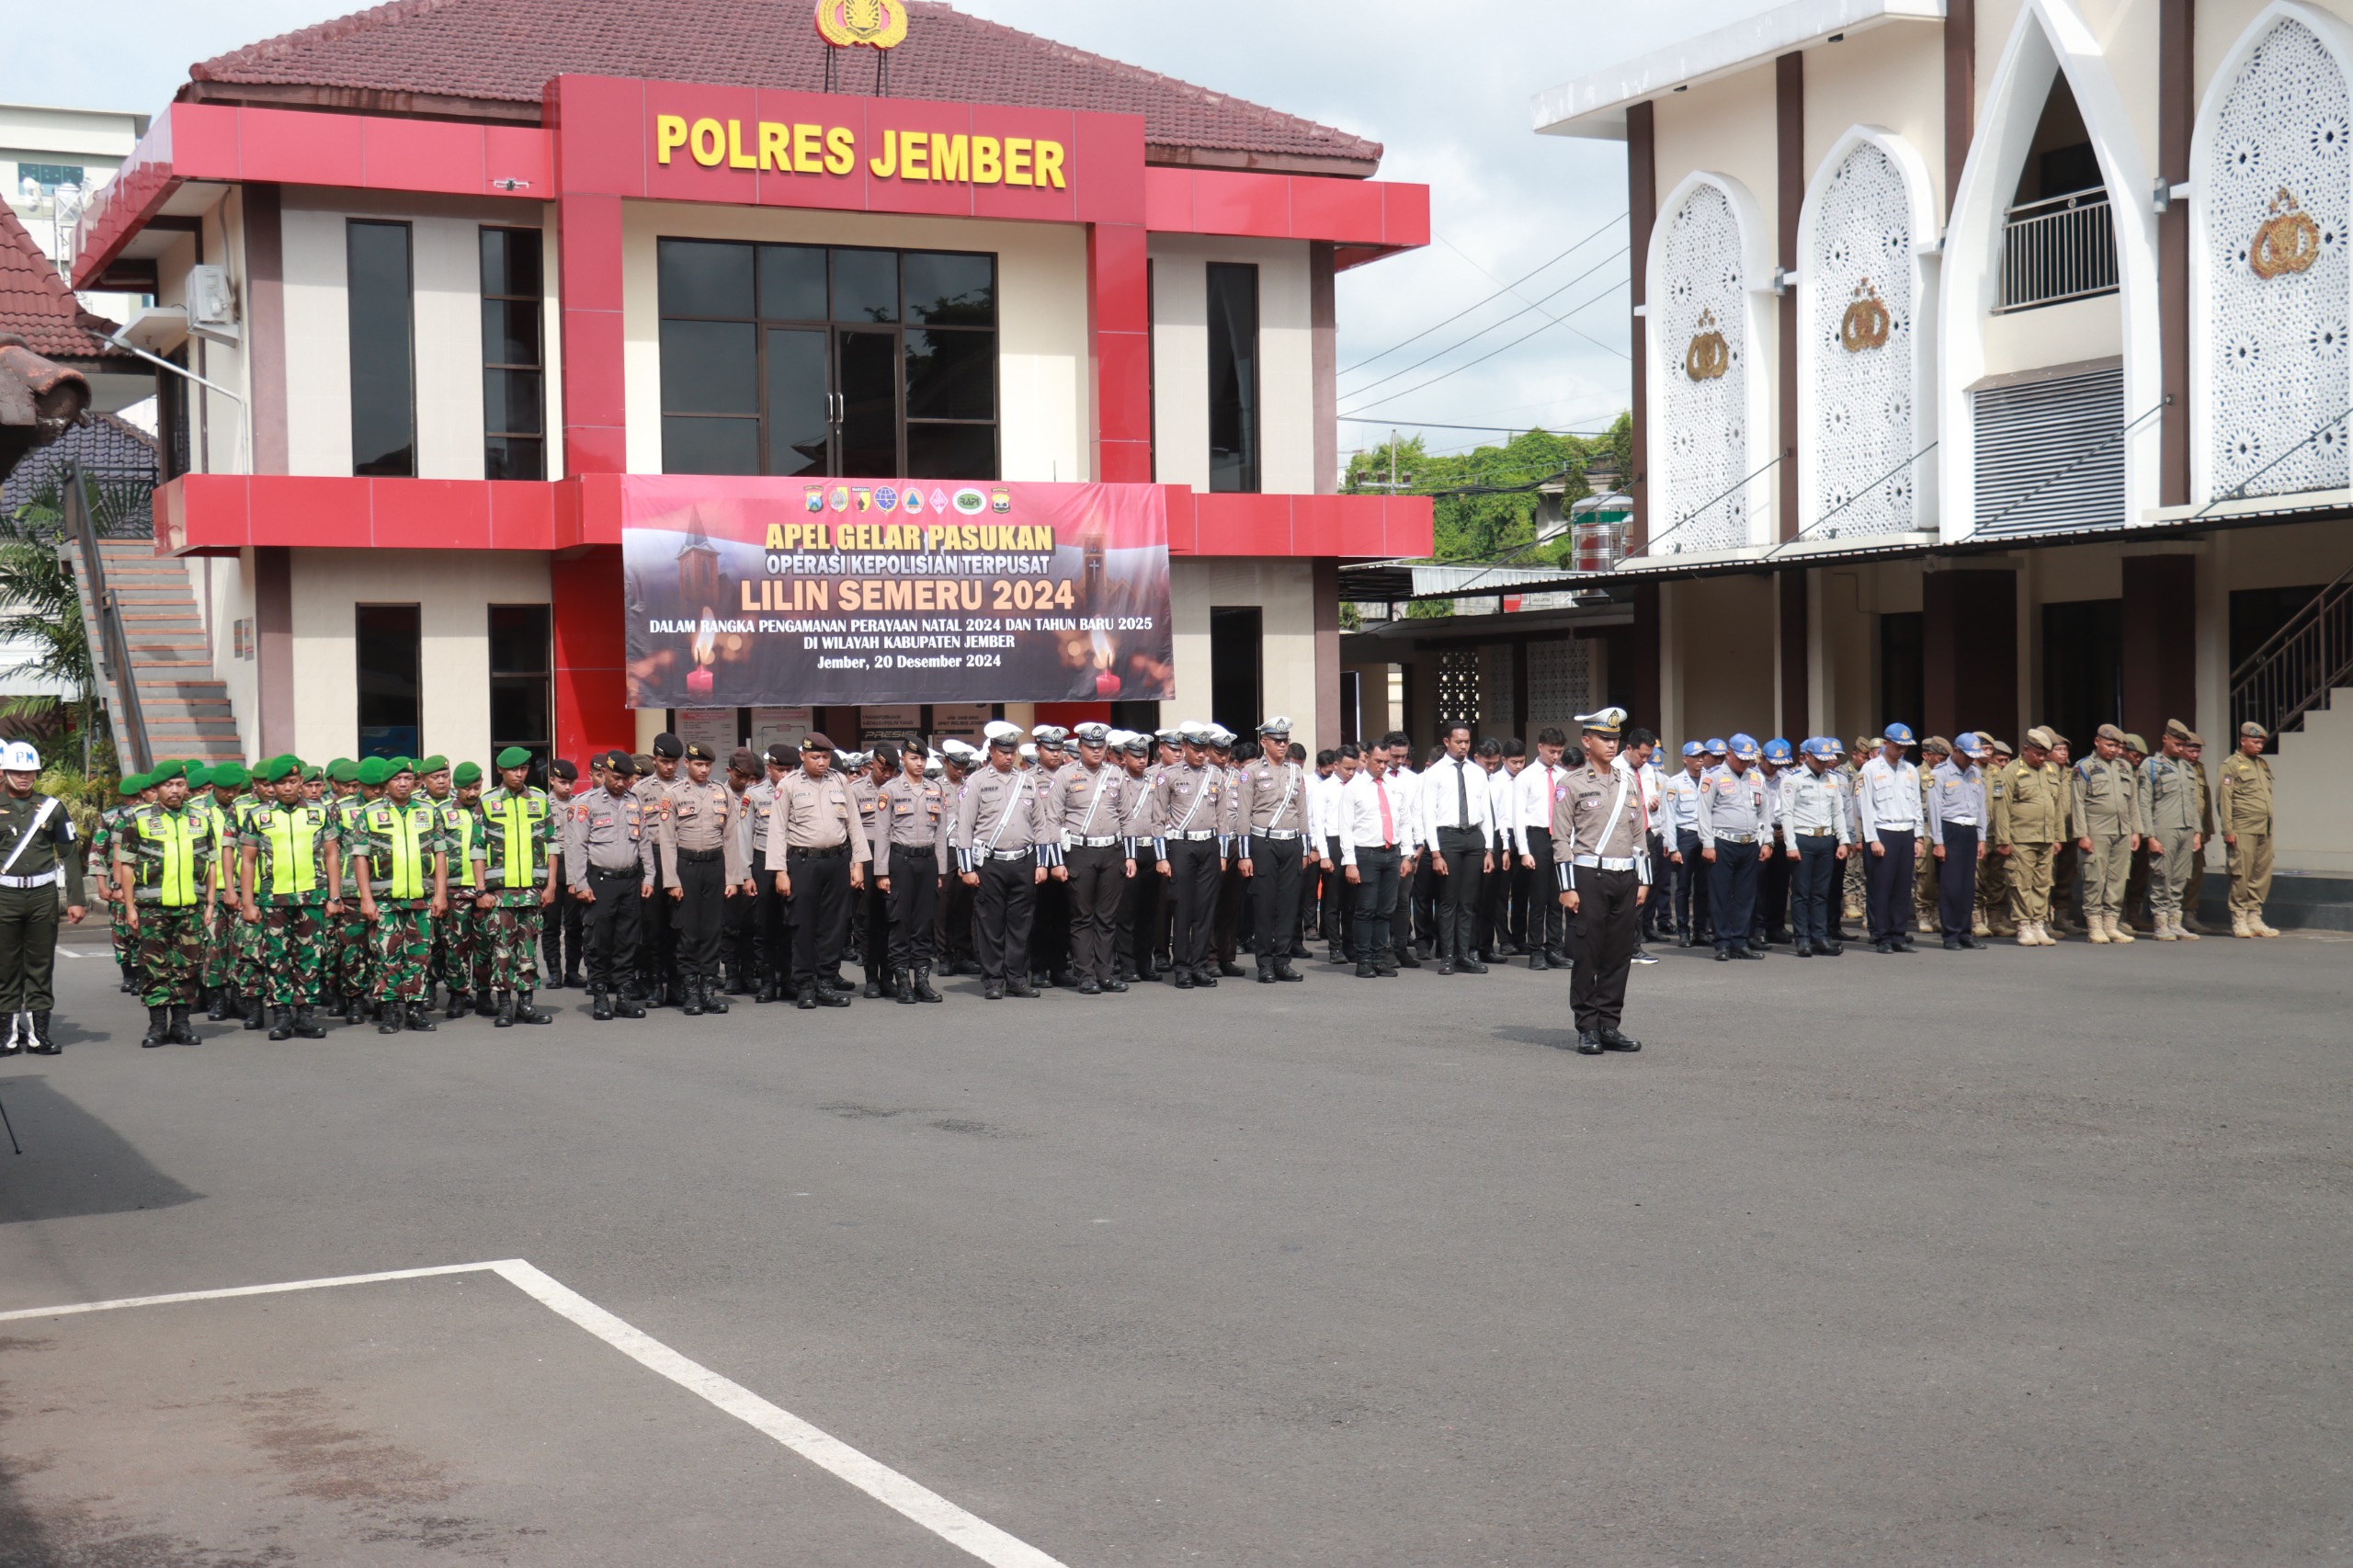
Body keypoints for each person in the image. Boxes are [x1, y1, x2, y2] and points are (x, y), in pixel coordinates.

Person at [1553, 708, 1646, 1056]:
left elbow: (1639, 834)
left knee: (1619, 955)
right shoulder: (1571, 784)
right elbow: (1560, 839)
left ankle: (1609, 1024)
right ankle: (1587, 1027)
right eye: (1604, 738)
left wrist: (1644, 879)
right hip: (1588, 877)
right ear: (1586, 741)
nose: (1611, 744)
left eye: (1615, 738)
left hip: (1626, 877)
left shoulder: (1628, 782)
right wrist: (1567, 887)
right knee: (1587, 954)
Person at [116, 761, 221, 1047]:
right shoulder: (137, 819)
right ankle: (158, 1026)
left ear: (186, 787)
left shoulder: (200, 818)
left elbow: (211, 863)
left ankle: (182, 1024)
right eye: (168, 785)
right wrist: (129, 908)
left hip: (191, 907)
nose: (174, 790)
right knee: (154, 967)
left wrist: (210, 903)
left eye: (180, 784)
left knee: (188, 966)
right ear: (156, 788)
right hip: (152, 908)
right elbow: (127, 865)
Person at [348, 757, 451, 1034]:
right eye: (397, 779)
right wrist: (366, 899)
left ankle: (415, 1010)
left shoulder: (429, 812)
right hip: (384, 900)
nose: (403, 784)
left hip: (421, 898)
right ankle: (390, 1011)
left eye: (407, 779)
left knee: (419, 957)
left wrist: (440, 895)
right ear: (386, 784)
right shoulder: (369, 814)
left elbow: (440, 854)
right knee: (386, 956)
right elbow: (360, 859)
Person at [237, 755, 335, 1040]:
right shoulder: (258, 815)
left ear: (301, 781)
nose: (287, 787)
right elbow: (248, 861)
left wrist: (334, 897)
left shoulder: (320, 812)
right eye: (281, 783)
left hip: (311, 897)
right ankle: (281, 1015)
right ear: (272, 786)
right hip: (273, 899)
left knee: (311, 956)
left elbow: (331, 854)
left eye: (292, 781)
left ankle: (305, 1015)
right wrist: (248, 902)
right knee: (276, 957)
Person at [770, 733, 870, 1008]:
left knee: (834, 925)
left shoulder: (839, 781)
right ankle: (804, 984)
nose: (822, 762)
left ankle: (826, 982)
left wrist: (858, 864)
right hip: (803, 863)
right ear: (802, 756)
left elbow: (854, 824)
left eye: (826, 757)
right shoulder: (789, 784)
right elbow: (777, 830)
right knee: (803, 925)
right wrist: (780, 871)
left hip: (837, 861)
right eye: (815, 757)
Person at [951, 720, 1050, 1000]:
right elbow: (964, 828)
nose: (1009, 757)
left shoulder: (1027, 781)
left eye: (1012, 751)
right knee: (990, 923)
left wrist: (1042, 863)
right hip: (990, 863)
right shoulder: (976, 782)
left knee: (1021, 924)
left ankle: (1017, 978)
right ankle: (994, 980)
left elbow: (1040, 825)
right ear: (992, 751)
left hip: (1023, 861)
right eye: (1004, 751)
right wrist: (967, 868)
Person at [0, 741, 86, 1054]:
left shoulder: (52, 808)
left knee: (40, 965)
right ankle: (7, 1036)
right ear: (4, 772)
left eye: (30, 771)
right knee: (5, 967)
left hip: (42, 895)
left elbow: (69, 854)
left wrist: (76, 899)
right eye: (17, 771)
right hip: (4, 895)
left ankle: (40, 1035)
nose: (24, 777)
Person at [656, 741, 745, 1016]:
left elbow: (731, 838)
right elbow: (667, 841)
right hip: (687, 866)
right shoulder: (672, 795)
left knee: (712, 930)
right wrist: (671, 880)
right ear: (687, 764)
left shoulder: (722, 793)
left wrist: (733, 878)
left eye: (707, 765)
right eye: (698, 764)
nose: (704, 769)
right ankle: (690, 992)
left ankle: (708, 991)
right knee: (688, 931)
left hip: (715, 866)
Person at [567, 751, 654, 1020]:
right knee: (598, 942)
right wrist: (579, 883)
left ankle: (624, 998)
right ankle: (600, 997)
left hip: (629, 881)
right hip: (600, 882)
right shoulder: (587, 803)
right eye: (616, 777)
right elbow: (577, 846)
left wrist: (649, 876)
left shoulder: (634, 802)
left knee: (628, 941)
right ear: (604, 773)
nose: (621, 783)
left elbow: (644, 842)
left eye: (625, 779)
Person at [1051, 721, 1134, 994]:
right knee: (1082, 917)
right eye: (1090, 746)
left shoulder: (1116, 773)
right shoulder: (1064, 775)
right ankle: (1086, 975)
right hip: (1080, 852)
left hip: (1112, 851)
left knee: (1107, 918)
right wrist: (1057, 861)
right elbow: (1053, 820)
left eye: (1101, 746)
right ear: (1080, 747)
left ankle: (1105, 974)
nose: (1096, 751)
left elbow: (1126, 817)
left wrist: (1130, 856)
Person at [477, 747, 559, 1026]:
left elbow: (551, 844)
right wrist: (481, 891)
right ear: (500, 770)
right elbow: (477, 849)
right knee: (502, 951)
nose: (519, 774)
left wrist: (551, 886)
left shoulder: (539, 799)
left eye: (523, 769)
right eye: (513, 769)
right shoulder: (487, 801)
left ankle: (526, 1004)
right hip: (500, 893)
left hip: (532, 892)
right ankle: (504, 1006)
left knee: (528, 952)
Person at [1150, 722, 1228, 988]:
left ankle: (1199, 965)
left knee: (1205, 909)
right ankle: (1182, 966)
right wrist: (1161, 857)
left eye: (1204, 749)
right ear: (1184, 747)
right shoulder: (1168, 775)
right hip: (1181, 846)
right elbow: (1157, 819)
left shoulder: (1215, 774)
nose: (1201, 754)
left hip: (1209, 845)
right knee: (1182, 907)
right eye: (1196, 749)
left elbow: (1222, 817)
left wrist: (1222, 855)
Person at [1233, 716, 1310, 984]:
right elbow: (1243, 815)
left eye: (1285, 740)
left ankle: (1283, 961)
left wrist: (1305, 849)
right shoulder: (1251, 771)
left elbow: (1302, 812)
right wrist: (1244, 854)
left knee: (1288, 905)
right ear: (1264, 742)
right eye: (1276, 740)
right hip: (1263, 843)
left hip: (1291, 843)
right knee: (1264, 905)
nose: (1282, 744)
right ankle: (1265, 963)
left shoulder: (1296, 772)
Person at [872, 738, 948, 1002]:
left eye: (923, 759)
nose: (919, 763)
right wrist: (881, 872)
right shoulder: (890, 790)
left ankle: (922, 982)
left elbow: (941, 833)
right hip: (900, 862)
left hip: (927, 862)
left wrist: (941, 871)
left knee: (924, 924)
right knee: (900, 923)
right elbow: (882, 833)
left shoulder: (935, 789)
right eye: (914, 758)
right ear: (903, 759)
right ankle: (903, 982)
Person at [1337, 740, 1416, 977]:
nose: (1382, 766)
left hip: (1391, 853)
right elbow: (1345, 827)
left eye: (1385, 761)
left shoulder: (1396, 786)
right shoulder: (1354, 787)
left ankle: (1379, 958)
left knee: (1386, 909)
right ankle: (1363, 959)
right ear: (1367, 758)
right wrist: (1350, 862)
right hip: (1366, 854)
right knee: (1365, 909)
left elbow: (1405, 821)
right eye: (1378, 761)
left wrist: (1407, 855)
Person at [1420, 722, 1494, 974]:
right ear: (1446, 742)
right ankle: (1447, 955)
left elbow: (1486, 812)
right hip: (1448, 837)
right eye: (1458, 741)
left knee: (1468, 901)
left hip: (1474, 837)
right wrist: (1435, 853)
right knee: (1448, 900)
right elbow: (1428, 814)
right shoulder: (1435, 773)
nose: (1463, 746)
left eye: (1466, 742)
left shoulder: (1477, 772)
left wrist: (1489, 849)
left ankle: (1464, 953)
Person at [1697, 733, 1772, 960]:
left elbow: (1765, 812)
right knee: (1720, 895)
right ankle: (1722, 943)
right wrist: (1707, 844)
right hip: (1722, 843)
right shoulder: (1714, 778)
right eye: (1741, 758)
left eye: (1748, 759)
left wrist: (1767, 841)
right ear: (1729, 753)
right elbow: (1704, 813)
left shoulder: (1756, 778)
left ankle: (1740, 941)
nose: (1745, 763)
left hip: (1749, 843)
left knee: (1745, 895)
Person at [1992, 727, 2067, 946]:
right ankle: (2024, 925)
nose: (2042, 758)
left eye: (2045, 754)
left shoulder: (2050, 770)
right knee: (2021, 883)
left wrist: (2058, 837)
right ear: (2026, 749)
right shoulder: (2010, 772)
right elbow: (2001, 809)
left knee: (2043, 883)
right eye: (2038, 754)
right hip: (2021, 838)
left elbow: (2057, 806)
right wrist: (2003, 840)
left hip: (2046, 837)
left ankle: (2038, 924)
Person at [1779, 736, 1850, 956]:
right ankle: (1802, 938)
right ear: (1807, 756)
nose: (1824, 764)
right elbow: (1786, 814)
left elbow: (1837, 812)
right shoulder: (1793, 779)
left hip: (1825, 839)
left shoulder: (1832, 779)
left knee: (1821, 892)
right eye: (1819, 760)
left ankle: (1820, 937)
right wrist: (1790, 845)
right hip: (1803, 839)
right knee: (1801, 892)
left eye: (1826, 760)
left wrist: (1843, 840)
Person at [2072, 723, 2143, 946]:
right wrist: (2082, 834)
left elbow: (2132, 802)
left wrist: (2136, 830)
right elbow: (2077, 803)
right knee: (2095, 878)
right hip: (2097, 831)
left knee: (2118, 880)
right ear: (2097, 742)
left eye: (2118, 747)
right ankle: (2094, 926)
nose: (2114, 750)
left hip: (2122, 830)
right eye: (2110, 745)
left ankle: (2111, 925)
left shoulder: (2124, 767)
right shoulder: (2084, 767)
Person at [1857, 724, 1923, 954]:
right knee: (1882, 888)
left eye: (1905, 747)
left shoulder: (1910, 769)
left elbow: (1916, 805)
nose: (1902, 750)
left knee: (1903, 888)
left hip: (1906, 831)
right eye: (1897, 746)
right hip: (1883, 831)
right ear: (1886, 743)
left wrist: (1919, 837)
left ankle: (1898, 935)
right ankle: (1882, 936)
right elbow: (1865, 807)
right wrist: (1872, 838)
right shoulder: (1870, 769)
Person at [2139, 719, 2205, 941]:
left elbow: (2193, 802)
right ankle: (2160, 923)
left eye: (2183, 745)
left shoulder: (2186, 767)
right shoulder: (2151, 766)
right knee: (2162, 876)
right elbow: (2144, 803)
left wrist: (2197, 832)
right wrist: (2149, 836)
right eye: (2177, 744)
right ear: (2165, 739)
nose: (2180, 749)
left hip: (2186, 828)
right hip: (2164, 828)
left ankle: (2175, 922)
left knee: (2180, 877)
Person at [1516, 728, 1574, 969]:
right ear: (1540, 747)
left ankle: (1554, 948)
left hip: (1560, 837)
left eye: (1559, 751)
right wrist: (1524, 851)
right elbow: (1518, 815)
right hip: (1537, 836)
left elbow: (1571, 813)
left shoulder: (1565, 776)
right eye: (1552, 751)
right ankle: (1536, 950)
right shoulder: (1526, 777)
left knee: (1557, 897)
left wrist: (1572, 844)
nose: (1556, 756)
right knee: (1538, 899)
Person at [1926, 734, 1988, 949]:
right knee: (1950, 886)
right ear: (1956, 751)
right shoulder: (1940, 773)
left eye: (1973, 756)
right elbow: (1934, 809)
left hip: (1970, 830)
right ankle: (1951, 934)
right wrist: (1938, 841)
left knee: (1967, 886)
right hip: (1949, 829)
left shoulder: (1976, 773)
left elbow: (1981, 807)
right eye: (1967, 755)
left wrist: (1981, 837)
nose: (1971, 760)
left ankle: (1965, 932)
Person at [2220, 722, 2281, 937]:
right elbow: (2225, 799)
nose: (2259, 746)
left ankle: (2254, 917)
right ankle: (2239, 917)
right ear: (2243, 741)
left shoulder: (2261, 764)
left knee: (2261, 874)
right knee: (2241, 874)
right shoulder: (2231, 765)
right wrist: (2228, 829)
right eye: (2255, 742)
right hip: (2242, 827)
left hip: (2264, 828)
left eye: (2261, 742)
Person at [1660, 741, 1711, 948]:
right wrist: (1673, 847)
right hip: (1685, 835)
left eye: (1702, 756)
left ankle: (1700, 930)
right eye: (1695, 756)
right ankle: (1683, 931)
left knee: (1704, 887)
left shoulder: (1710, 779)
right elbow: (1669, 817)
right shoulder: (1675, 783)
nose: (1700, 760)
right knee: (1683, 887)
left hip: (1705, 837)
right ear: (1684, 759)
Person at [540, 757, 585, 988]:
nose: (567, 787)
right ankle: (554, 972)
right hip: (551, 867)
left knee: (575, 924)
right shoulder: (542, 805)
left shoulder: (579, 804)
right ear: (552, 780)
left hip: (574, 866)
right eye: (562, 782)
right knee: (552, 924)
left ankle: (573, 972)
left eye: (571, 783)